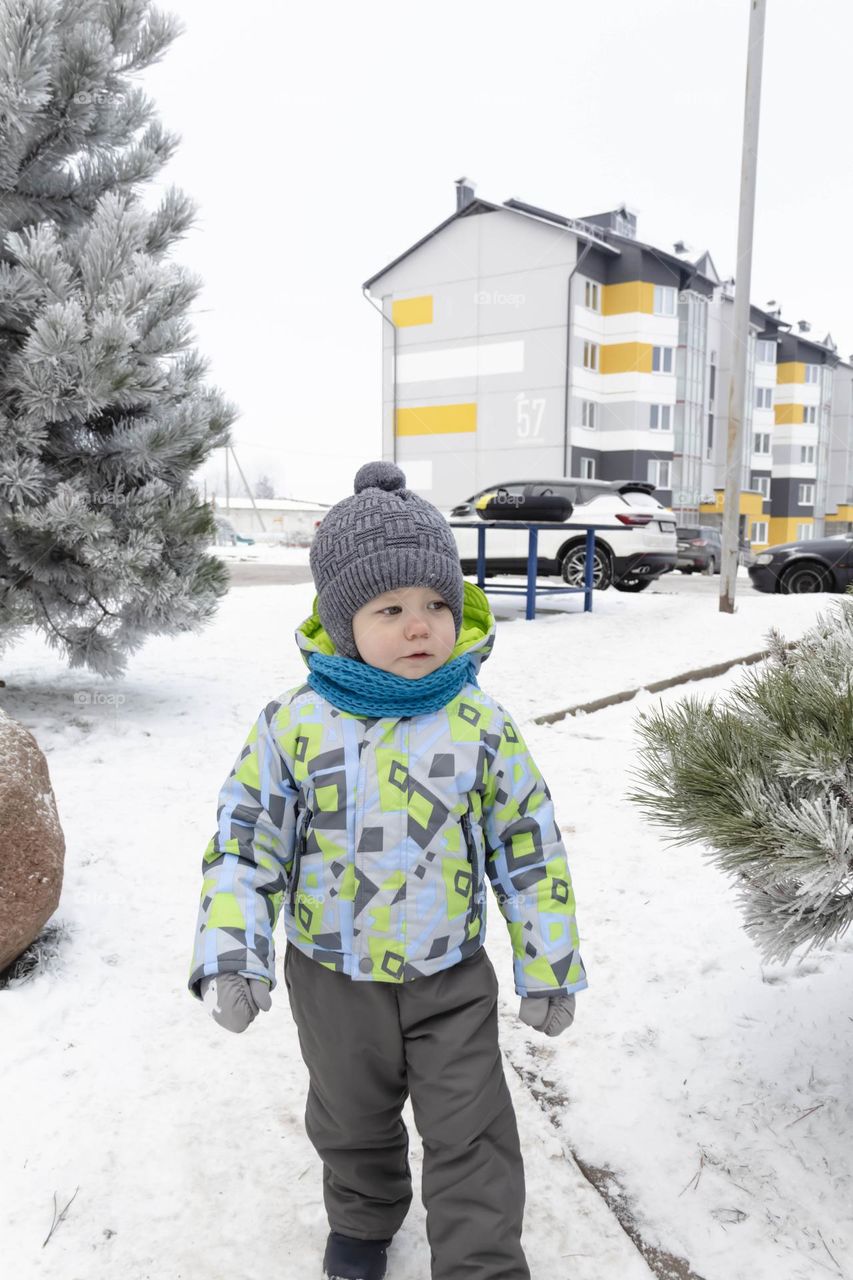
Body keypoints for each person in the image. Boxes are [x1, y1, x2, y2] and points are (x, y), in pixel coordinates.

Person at [188, 461, 587, 1280]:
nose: (420, 626)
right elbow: (245, 841)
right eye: (391, 608)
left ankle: (480, 1264)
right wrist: (232, 953)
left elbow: (527, 843)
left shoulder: (478, 723)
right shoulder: (295, 725)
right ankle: (363, 1221)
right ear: (343, 621)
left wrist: (547, 961)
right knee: (351, 1120)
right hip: (333, 975)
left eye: (437, 604)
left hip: (451, 976)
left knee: (472, 1128)